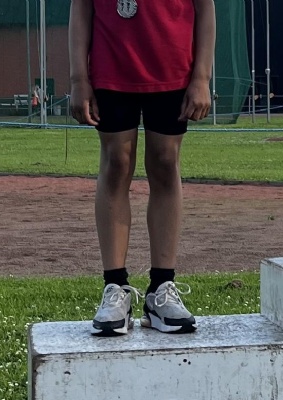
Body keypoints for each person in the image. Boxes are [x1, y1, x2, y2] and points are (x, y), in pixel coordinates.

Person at [69, 0, 216, 335]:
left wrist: (202, 76)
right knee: (116, 162)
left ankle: (161, 289)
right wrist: (78, 78)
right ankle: (115, 287)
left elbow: (205, 9)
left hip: (173, 65)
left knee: (165, 163)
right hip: (111, 66)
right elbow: (81, 9)